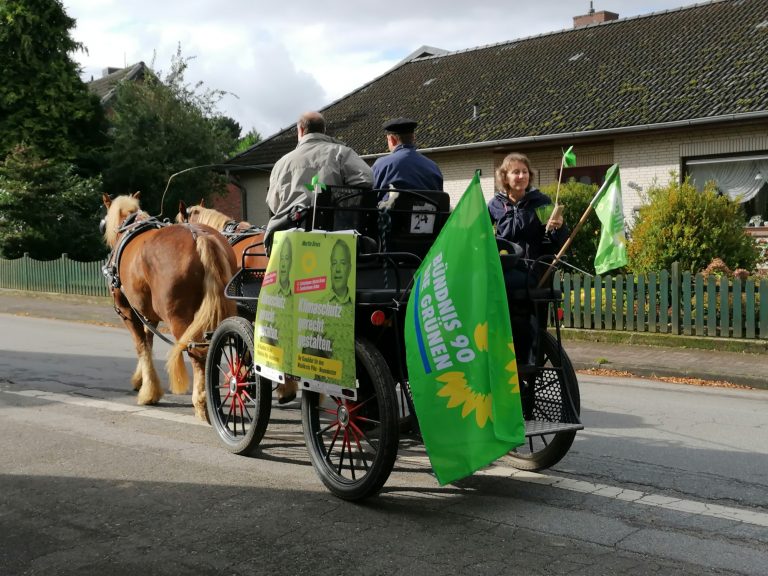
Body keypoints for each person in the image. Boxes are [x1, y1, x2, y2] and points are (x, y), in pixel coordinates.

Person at [266, 111, 373, 232]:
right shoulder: (342, 153)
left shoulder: (281, 163)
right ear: (324, 130)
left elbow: (274, 204)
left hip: (290, 234)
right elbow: (366, 182)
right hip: (335, 232)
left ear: (300, 130)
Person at [488, 152, 568, 288]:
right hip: (503, 267)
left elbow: (556, 242)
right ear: (505, 178)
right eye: (516, 172)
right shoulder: (495, 204)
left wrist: (558, 227)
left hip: (531, 269)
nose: (522, 176)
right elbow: (480, 233)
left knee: (497, 283)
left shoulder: (541, 201)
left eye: (525, 172)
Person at [372, 117, 444, 194]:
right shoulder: (433, 166)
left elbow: (367, 196)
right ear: (413, 138)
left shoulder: (381, 164)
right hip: (429, 206)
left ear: (392, 140)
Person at [328, 239, 352, 304]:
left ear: (349, 269)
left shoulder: (353, 305)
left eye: (343, 263)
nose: (338, 269)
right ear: (330, 268)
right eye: (334, 263)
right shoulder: (316, 309)